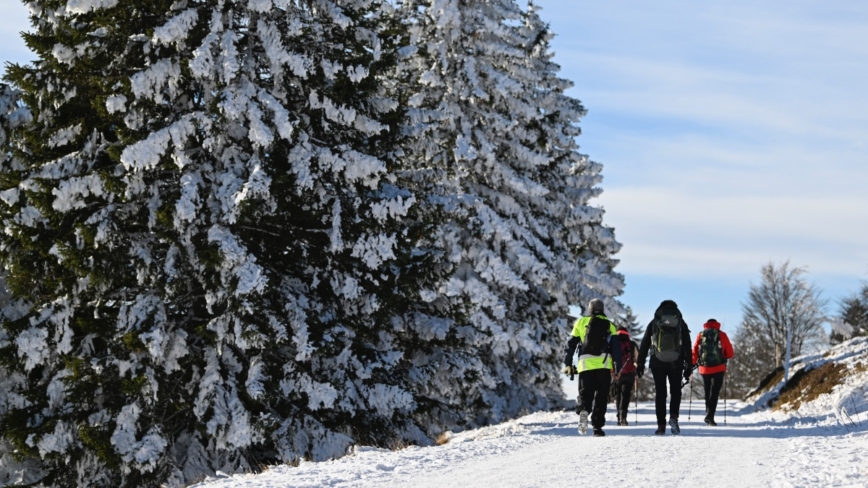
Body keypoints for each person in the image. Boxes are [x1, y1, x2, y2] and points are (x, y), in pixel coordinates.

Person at [563, 299, 622, 437]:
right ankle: (597, 428)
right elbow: (616, 349)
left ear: (589, 309)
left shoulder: (581, 322)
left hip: (585, 365)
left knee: (585, 393)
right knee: (601, 397)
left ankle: (584, 410)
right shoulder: (609, 325)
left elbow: (570, 345)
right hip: (604, 365)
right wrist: (617, 369)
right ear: (602, 310)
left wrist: (567, 363)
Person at [636, 300, 693, 435]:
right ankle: (673, 416)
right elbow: (687, 345)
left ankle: (661, 425)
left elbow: (644, 344)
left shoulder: (655, 322)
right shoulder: (680, 322)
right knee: (675, 391)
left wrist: (640, 364)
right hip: (676, 363)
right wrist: (688, 365)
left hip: (657, 362)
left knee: (660, 393)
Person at [692, 318, 735, 426]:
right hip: (719, 368)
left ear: (706, 325)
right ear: (717, 325)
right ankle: (710, 416)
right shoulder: (722, 335)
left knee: (707, 391)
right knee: (714, 392)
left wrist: (692, 363)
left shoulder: (701, 335)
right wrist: (724, 357)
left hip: (704, 368)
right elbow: (730, 353)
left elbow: (695, 350)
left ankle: (708, 413)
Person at [613, 326, 639, 426]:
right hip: (629, 374)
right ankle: (623, 416)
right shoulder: (632, 344)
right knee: (626, 395)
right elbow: (638, 358)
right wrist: (637, 369)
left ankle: (619, 416)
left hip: (617, 374)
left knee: (618, 395)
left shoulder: (614, 343)